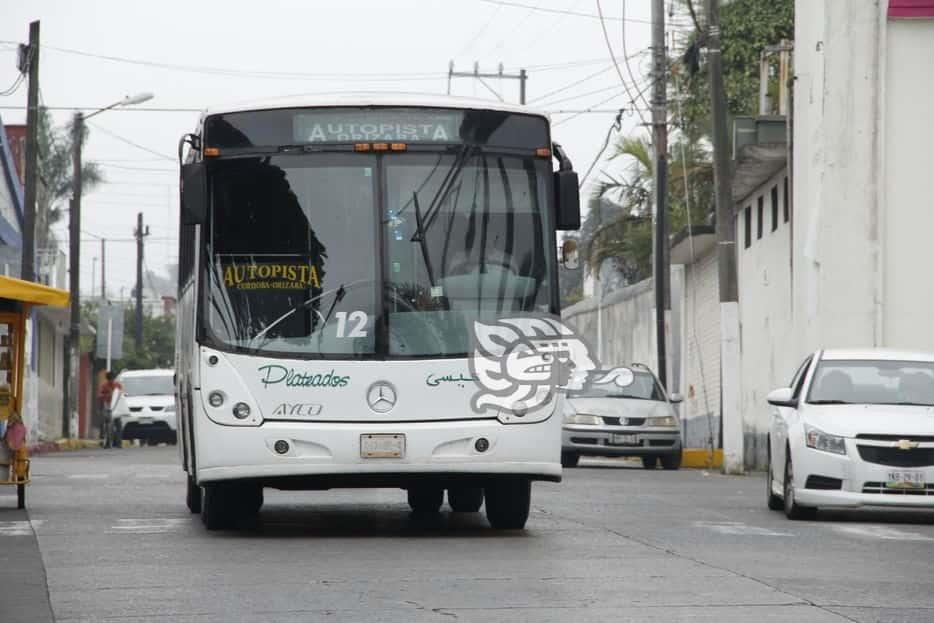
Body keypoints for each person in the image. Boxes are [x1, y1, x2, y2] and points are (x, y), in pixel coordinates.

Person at [98, 371, 122, 448]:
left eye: (112, 379)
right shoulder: (104, 386)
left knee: (118, 424)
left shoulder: (118, 385)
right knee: (106, 424)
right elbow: (100, 395)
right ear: (108, 379)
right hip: (108, 406)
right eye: (110, 379)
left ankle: (118, 443)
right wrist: (107, 395)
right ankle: (107, 442)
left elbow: (121, 394)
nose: (111, 381)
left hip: (116, 406)